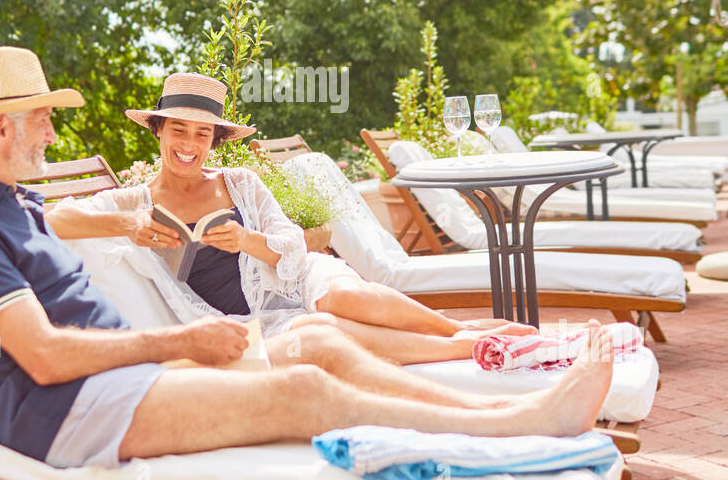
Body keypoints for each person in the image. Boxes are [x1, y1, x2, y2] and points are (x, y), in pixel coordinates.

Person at [0, 47, 612, 472]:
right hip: (67, 414)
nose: (53, 128)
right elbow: (41, 357)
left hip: (122, 378)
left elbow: (74, 222)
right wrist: (178, 339)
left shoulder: (10, 204)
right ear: (1, 124)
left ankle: (507, 408)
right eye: (42, 116)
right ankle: (514, 431)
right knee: (301, 391)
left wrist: (139, 247)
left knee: (315, 341)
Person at [46, 71, 538, 366]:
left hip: (295, 275)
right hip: (251, 316)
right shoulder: (135, 201)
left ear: (215, 141)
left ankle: (454, 329)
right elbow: (57, 217)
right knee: (325, 326)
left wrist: (246, 240)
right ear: (158, 131)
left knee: (340, 293)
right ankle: (470, 347)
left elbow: (293, 244)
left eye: (202, 134)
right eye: (179, 130)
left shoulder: (239, 183)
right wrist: (126, 226)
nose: (189, 145)